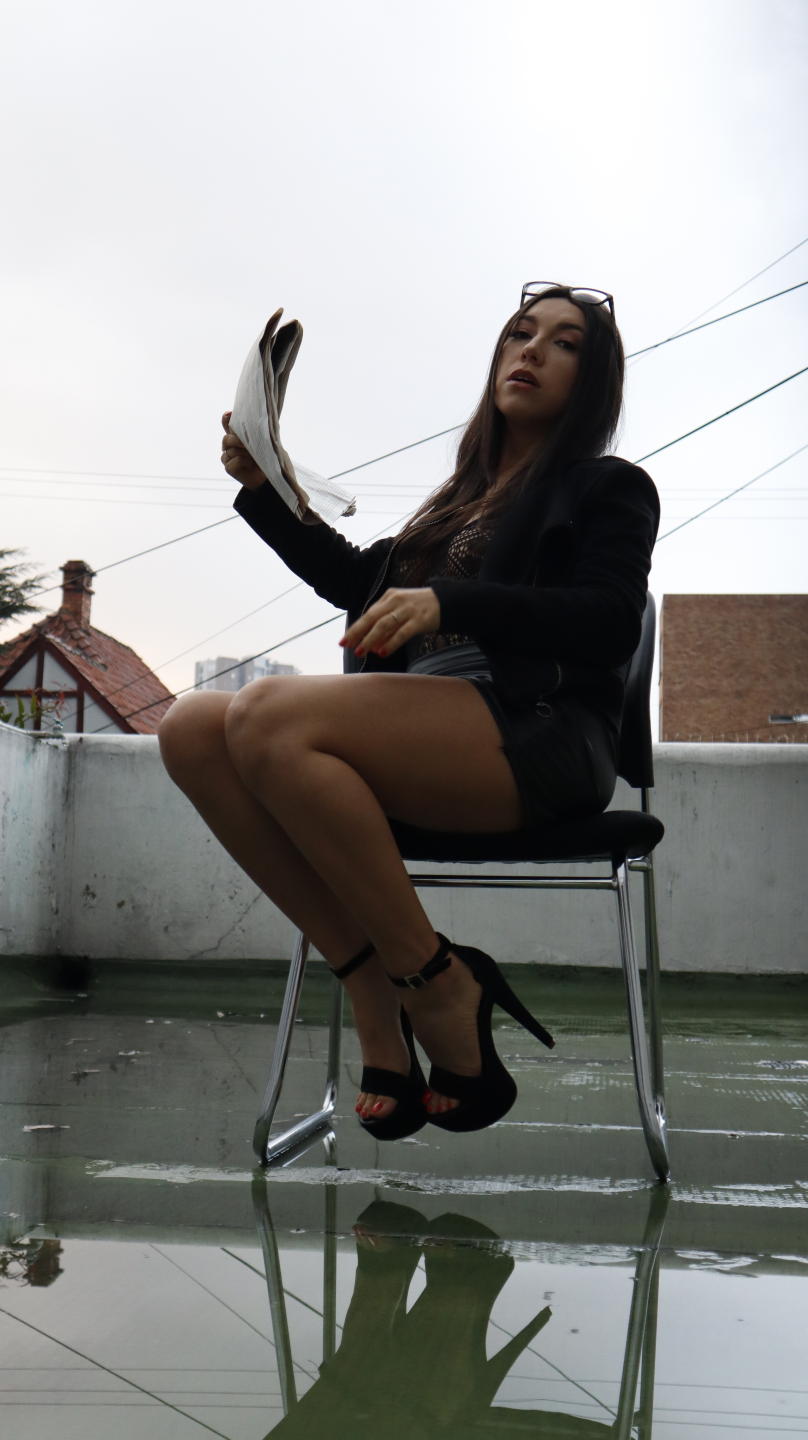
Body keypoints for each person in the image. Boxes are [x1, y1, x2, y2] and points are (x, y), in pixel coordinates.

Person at [158, 282, 660, 1142]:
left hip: (535, 732)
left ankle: (435, 980)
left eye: (565, 343)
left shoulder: (609, 488)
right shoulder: (458, 502)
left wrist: (450, 602)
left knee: (267, 713)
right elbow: (355, 582)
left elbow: (611, 617)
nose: (532, 350)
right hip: (425, 731)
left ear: (594, 381)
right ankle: (373, 982)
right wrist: (264, 485)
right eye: (521, 333)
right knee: (191, 728)